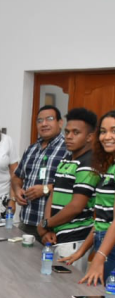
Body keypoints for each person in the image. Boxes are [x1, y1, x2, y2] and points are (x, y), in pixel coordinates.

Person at [37, 108, 99, 273]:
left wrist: (45, 224)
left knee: (64, 291)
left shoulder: (89, 164)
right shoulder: (67, 159)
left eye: (76, 132)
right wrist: (48, 228)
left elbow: (76, 207)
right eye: (67, 132)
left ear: (89, 137)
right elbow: (54, 194)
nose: (69, 136)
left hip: (74, 240)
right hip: (57, 236)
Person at [62, 110, 115, 285]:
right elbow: (103, 219)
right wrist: (82, 251)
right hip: (104, 244)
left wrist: (99, 258)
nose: (107, 136)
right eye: (103, 131)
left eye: (113, 130)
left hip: (110, 249)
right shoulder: (108, 167)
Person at [12, 105, 68, 241]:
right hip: (27, 222)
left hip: (53, 227)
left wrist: (45, 189)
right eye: (39, 120)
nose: (44, 124)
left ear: (60, 123)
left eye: (49, 119)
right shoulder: (31, 149)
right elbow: (16, 177)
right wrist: (17, 189)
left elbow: (72, 185)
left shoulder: (68, 148)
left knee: (48, 262)